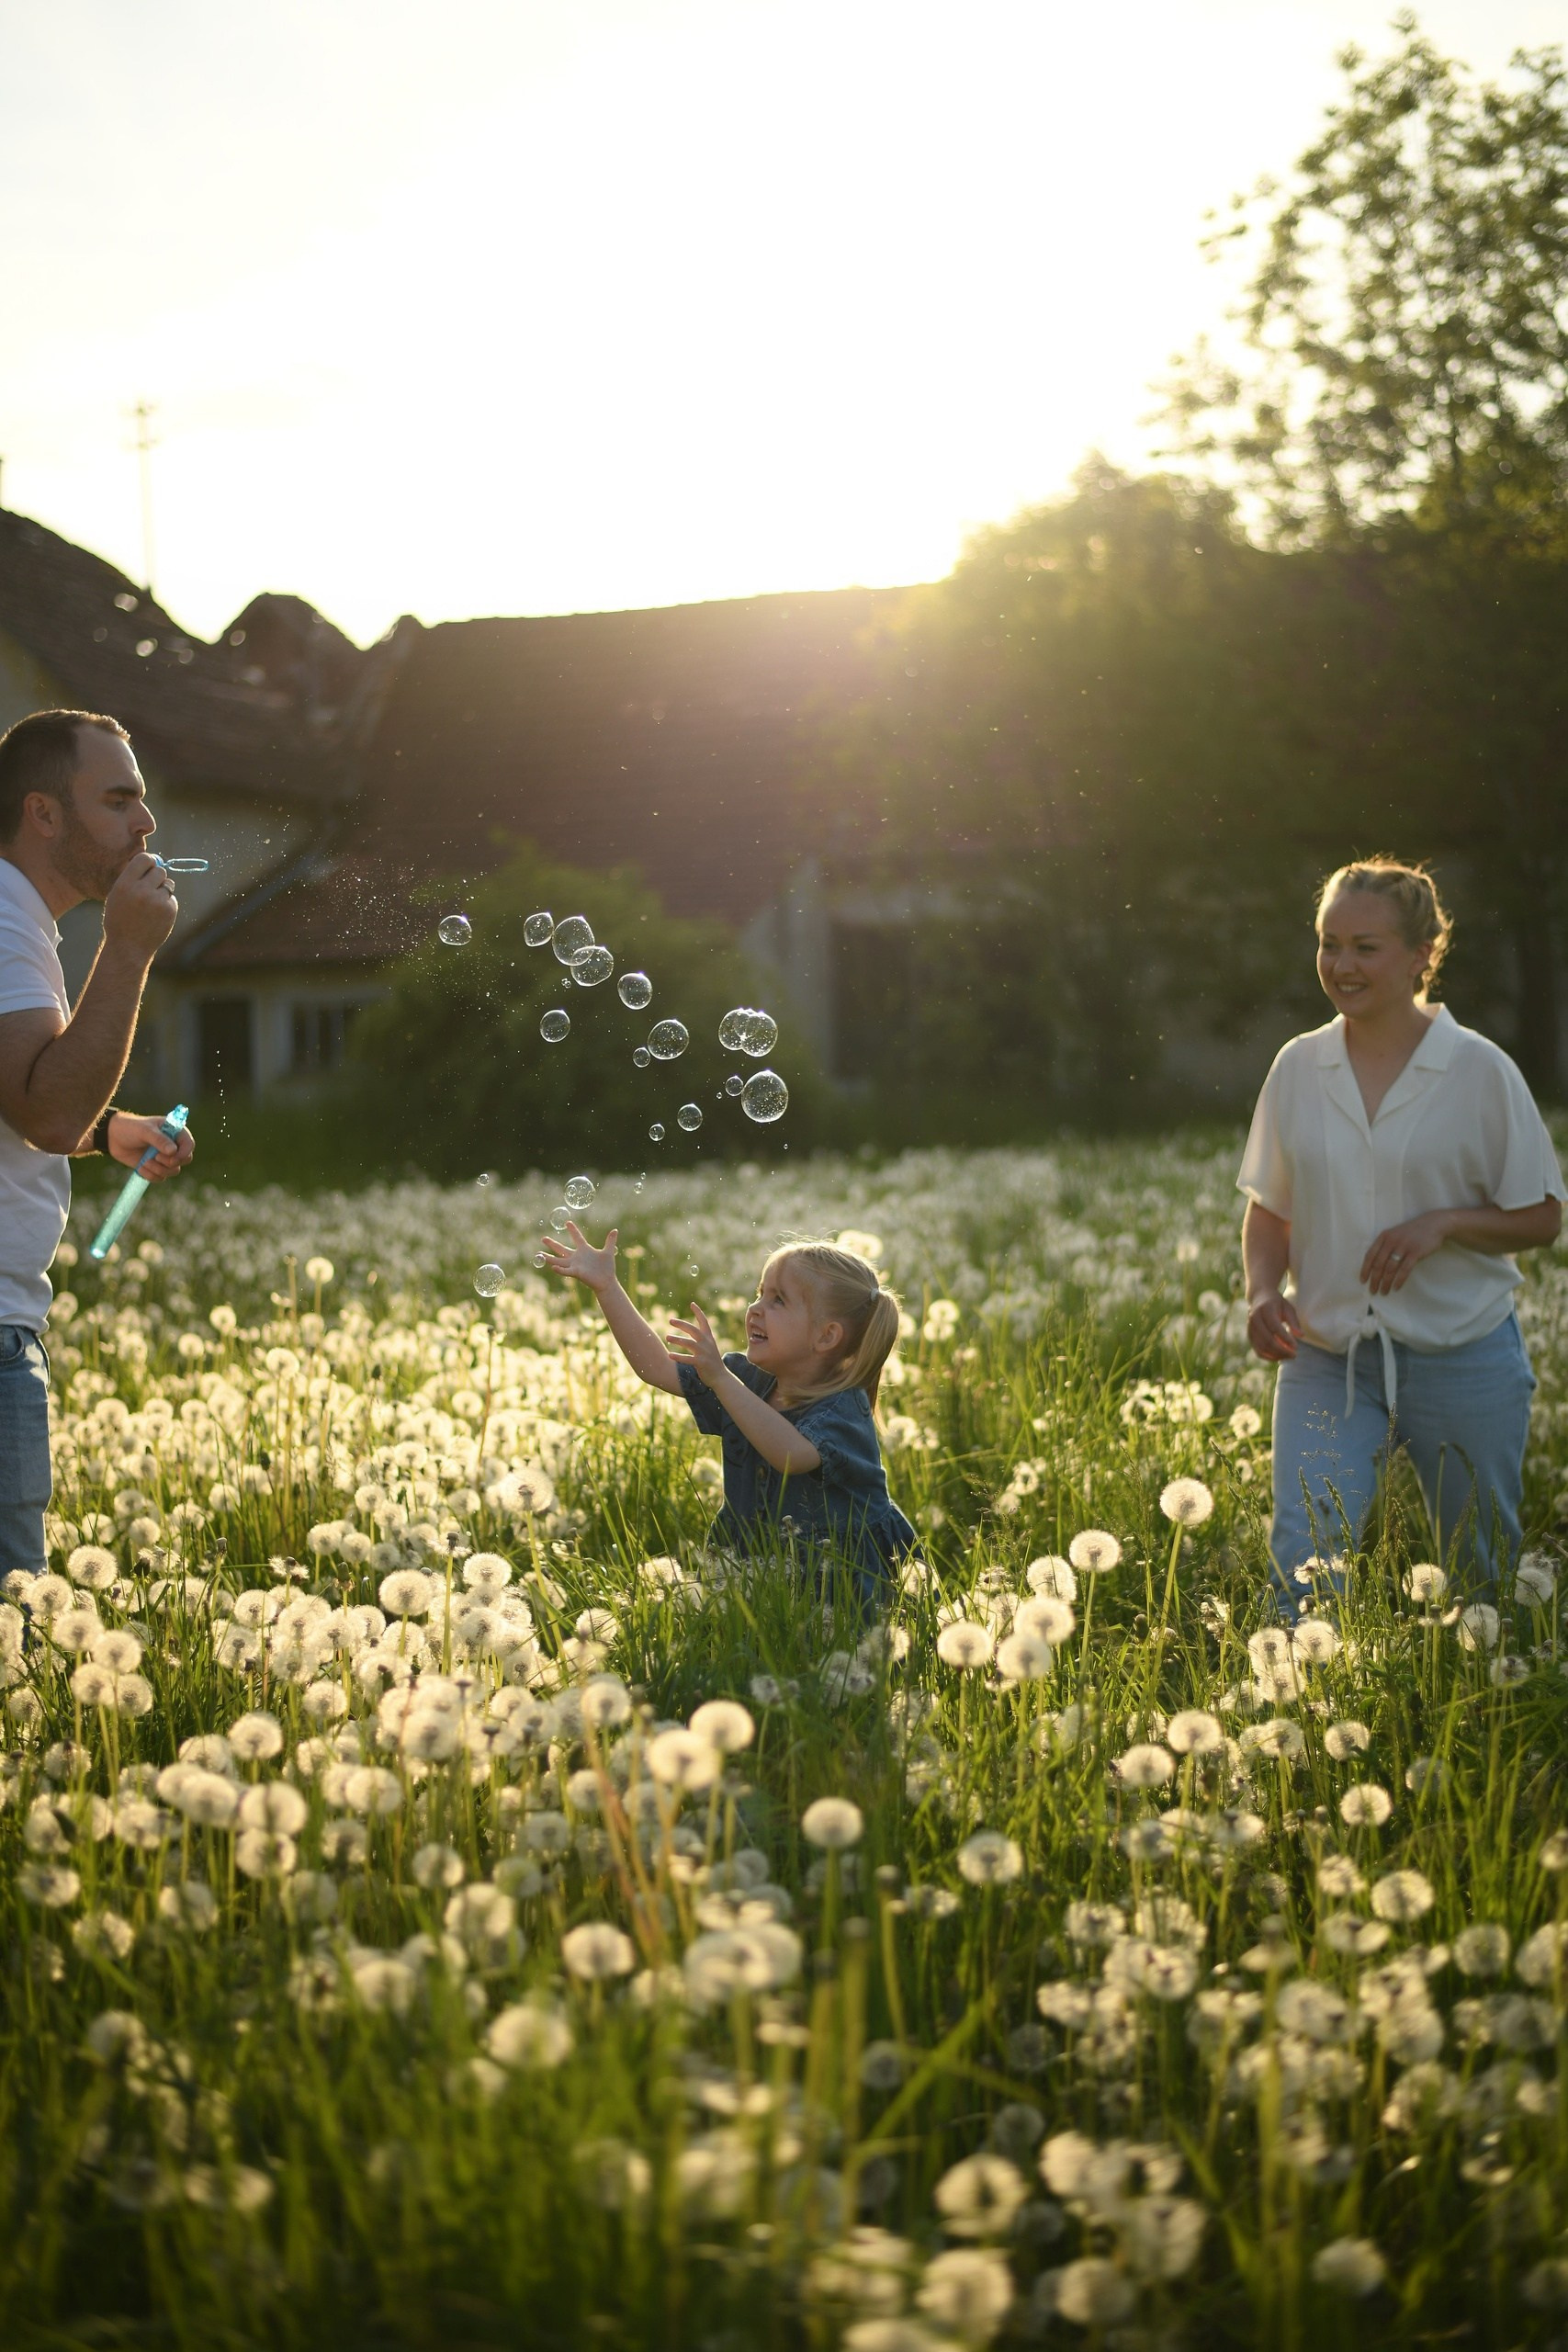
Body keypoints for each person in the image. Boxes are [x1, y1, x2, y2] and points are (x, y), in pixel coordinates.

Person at [1239, 856, 1562, 1614]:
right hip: (1326, 1359)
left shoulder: (1478, 1070)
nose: (1340, 965)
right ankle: (1305, 1714)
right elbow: (1269, 1209)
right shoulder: (1296, 1067)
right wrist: (1260, 1292)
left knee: (1478, 1568)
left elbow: (1543, 1217)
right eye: (1328, 943)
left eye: (1364, 946)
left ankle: (1480, 1713)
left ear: (1422, 956)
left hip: (1464, 1358)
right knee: (1305, 1562)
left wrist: (1442, 1224)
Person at [0, 709, 196, 1578]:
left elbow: (19, 1094)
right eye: (118, 801)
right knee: (14, 1630)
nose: (145, 825)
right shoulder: (7, 926)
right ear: (44, 813)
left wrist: (109, 1130)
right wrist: (126, 952)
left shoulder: (16, 922)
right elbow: (43, 1115)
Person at [542, 1227, 915, 1593]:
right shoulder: (745, 1380)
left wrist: (720, 1379)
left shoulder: (843, 1407)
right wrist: (608, 1287)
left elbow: (791, 1454)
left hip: (842, 1577)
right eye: (759, 1293)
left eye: (778, 1300)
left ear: (826, 1336)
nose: (754, 1309)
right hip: (758, 1563)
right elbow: (655, 1367)